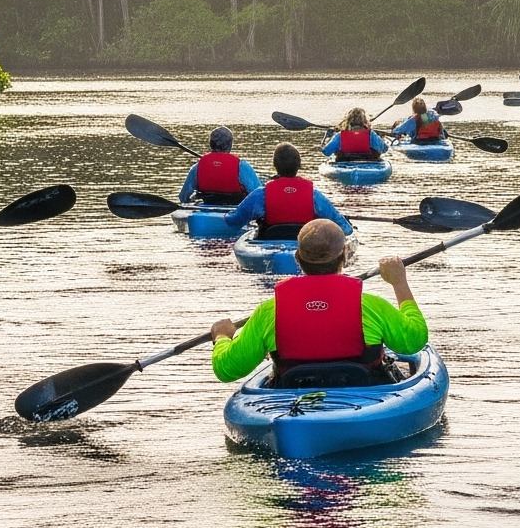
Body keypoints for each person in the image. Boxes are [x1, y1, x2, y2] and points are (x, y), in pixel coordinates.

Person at [210, 219, 429, 386]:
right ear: (345, 255)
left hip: (293, 393)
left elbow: (227, 370)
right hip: (364, 392)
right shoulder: (372, 306)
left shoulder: (270, 311)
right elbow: (414, 342)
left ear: (297, 258)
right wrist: (399, 283)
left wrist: (222, 337)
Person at [224, 143, 354, 240]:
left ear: (275, 166)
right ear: (299, 166)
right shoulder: (314, 196)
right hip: (304, 247)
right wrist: (346, 222)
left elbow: (233, 221)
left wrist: (227, 214)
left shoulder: (261, 194)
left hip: (268, 244)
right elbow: (346, 230)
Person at [178, 126, 262, 206]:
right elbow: (260, 196)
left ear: (211, 144)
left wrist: (190, 203)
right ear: (230, 145)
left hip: (207, 207)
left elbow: (183, 197)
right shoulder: (242, 166)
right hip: (236, 210)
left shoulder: (197, 167)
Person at [322, 106, 389, 162]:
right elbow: (384, 149)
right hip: (369, 162)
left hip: (345, 162)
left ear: (348, 120)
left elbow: (326, 152)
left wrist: (327, 139)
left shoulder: (340, 135)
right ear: (364, 121)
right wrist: (381, 137)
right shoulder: (371, 134)